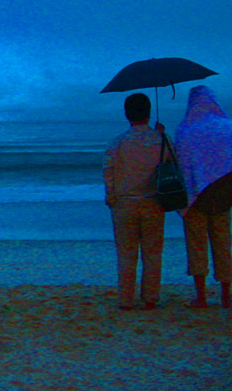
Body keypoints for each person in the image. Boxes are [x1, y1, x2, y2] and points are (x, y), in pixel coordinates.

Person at [175, 85, 232, 308]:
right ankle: (226, 296)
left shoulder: (184, 130)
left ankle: (201, 297)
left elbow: (181, 167)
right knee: (222, 245)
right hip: (223, 197)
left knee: (196, 245)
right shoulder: (231, 127)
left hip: (195, 198)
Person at [103, 93, 167, 310]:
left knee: (126, 254)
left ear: (127, 114)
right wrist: (161, 136)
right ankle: (150, 298)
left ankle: (126, 300)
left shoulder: (118, 142)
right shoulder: (160, 140)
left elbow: (108, 171)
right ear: (148, 113)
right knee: (152, 252)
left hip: (124, 204)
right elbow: (170, 167)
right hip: (153, 202)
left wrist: (110, 196)